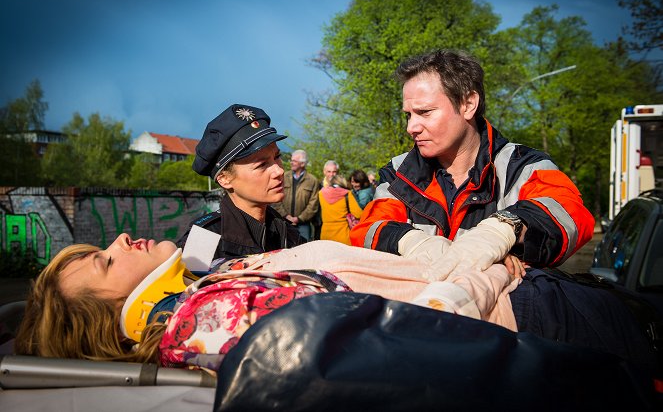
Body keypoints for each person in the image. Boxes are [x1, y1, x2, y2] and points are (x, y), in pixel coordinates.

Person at [14, 234, 658, 379]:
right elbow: (420, 333)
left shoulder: (211, 290)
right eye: (104, 259)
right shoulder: (211, 321)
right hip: (529, 322)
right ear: (113, 309)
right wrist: (489, 268)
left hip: (532, 306)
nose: (121, 242)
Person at [350, 50, 595, 279]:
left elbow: (571, 213)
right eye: (408, 115)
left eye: (424, 112)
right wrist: (408, 241)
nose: (410, 127)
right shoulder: (398, 173)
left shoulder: (523, 166)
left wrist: (504, 229)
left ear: (468, 105)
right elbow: (369, 229)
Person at [176, 104, 305, 259]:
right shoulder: (201, 243)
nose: (279, 171)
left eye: (277, 157)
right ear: (224, 179)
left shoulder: (286, 232)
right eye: (262, 165)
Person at [271, 149, 320, 241]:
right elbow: (276, 197)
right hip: (283, 222)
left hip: (303, 225)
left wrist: (299, 219)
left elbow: (313, 204)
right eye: (291, 160)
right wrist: (286, 216)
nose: (291, 163)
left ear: (302, 164)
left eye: (294, 161)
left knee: (305, 249)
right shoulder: (283, 176)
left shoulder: (312, 180)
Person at [318, 175, 363, 245]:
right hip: (343, 234)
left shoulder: (321, 194)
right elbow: (358, 214)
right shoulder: (347, 194)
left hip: (326, 234)